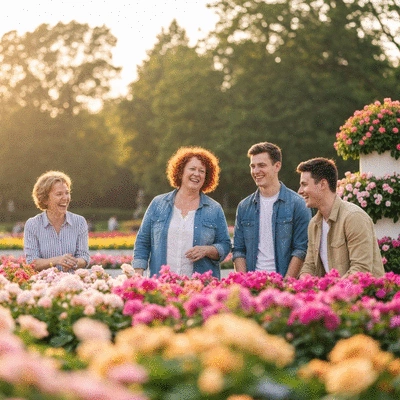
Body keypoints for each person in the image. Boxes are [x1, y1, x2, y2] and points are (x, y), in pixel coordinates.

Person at [133, 146, 231, 279]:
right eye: (192, 169)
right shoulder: (158, 203)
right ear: (180, 172)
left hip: (200, 288)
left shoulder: (214, 209)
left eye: (202, 171)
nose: (197, 174)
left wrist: (207, 250)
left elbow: (225, 245)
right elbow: (143, 241)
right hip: (162, 285)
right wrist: (138, 274)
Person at [233, 142, 311, 277]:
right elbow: (239, 250)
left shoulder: (298, 204)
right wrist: (244, 283)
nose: (256, 171)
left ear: (277, 166)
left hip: (285, 284)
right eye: (253, 166)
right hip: (253, 284)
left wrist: (287, 285)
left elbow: (301, 249)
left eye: (262, 165)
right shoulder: (244, 206)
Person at [296, 157, 385, 278]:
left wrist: (331, 292)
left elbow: (360, 270)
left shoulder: (353, 217)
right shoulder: (314, 224)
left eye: (304, 185)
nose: (300, 191)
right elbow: (309, 266)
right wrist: (306, 281)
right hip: (334, 295)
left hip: (364, 295)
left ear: (322, 184)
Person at [24, 171, 90, 272]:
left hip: (72, 285)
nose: (65, 198)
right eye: (59, 194)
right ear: (45, 199)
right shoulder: (32, 224)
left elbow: (84, 257)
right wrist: (57, 260)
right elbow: (31, 262)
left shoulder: (79, 222)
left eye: (67, 193)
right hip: (43, 285)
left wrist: (73, 263)